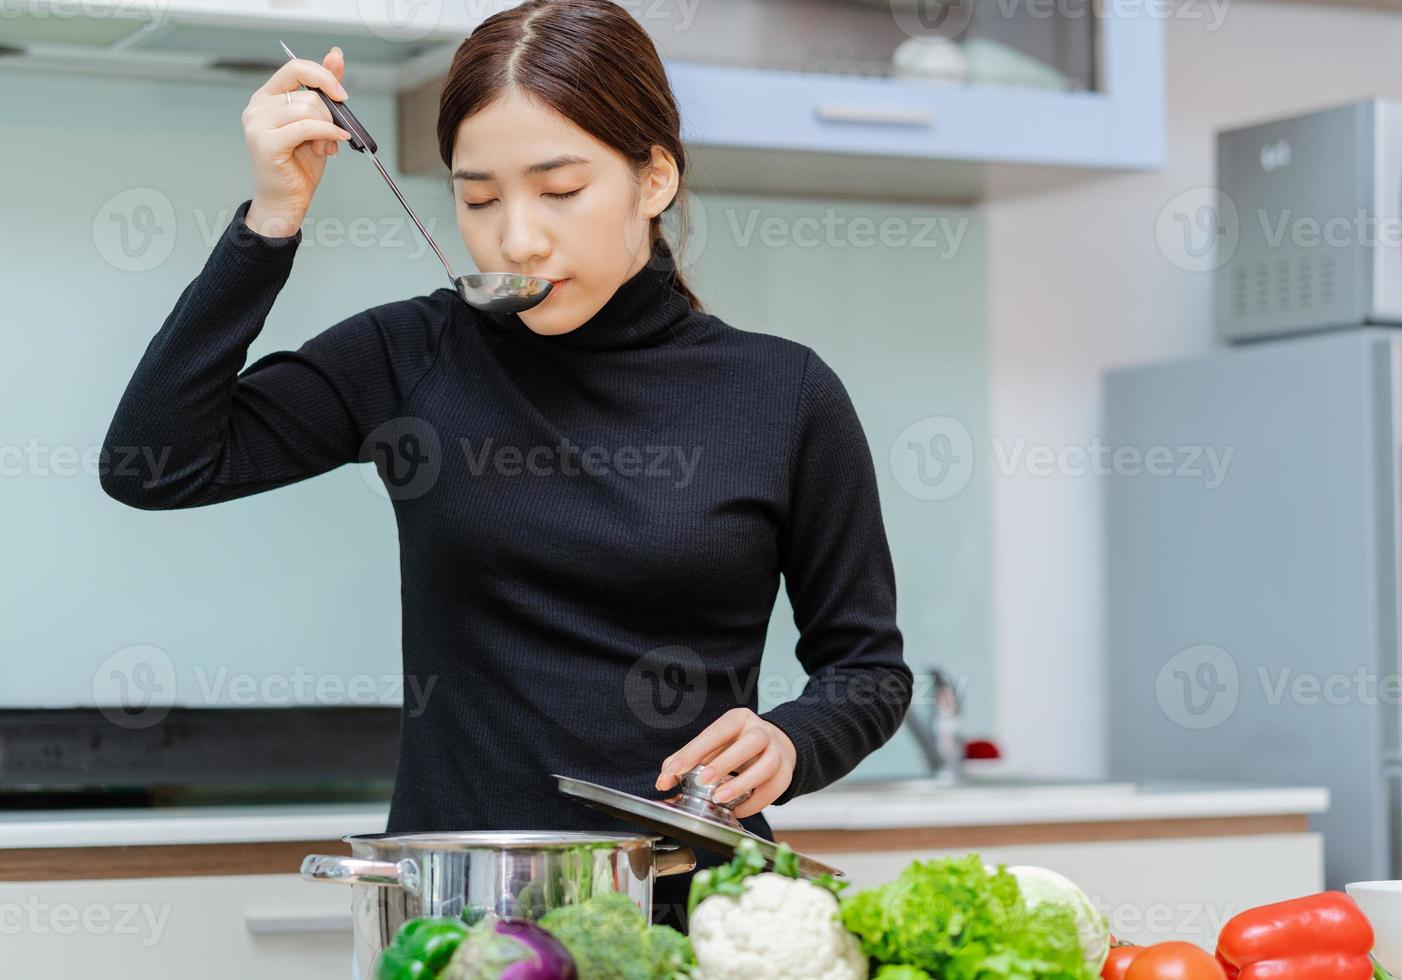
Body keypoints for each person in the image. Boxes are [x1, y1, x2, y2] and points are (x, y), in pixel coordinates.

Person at [100, 0, 912, 936]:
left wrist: (790, 741)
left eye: (559, 190)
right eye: (478, 198)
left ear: (654, 179)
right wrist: (271, 221)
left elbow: (867, 669)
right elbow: (151, 463)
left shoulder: (785, 393)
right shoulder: (413, 355)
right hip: (457, 915)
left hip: (693, 916)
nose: (516, 239)